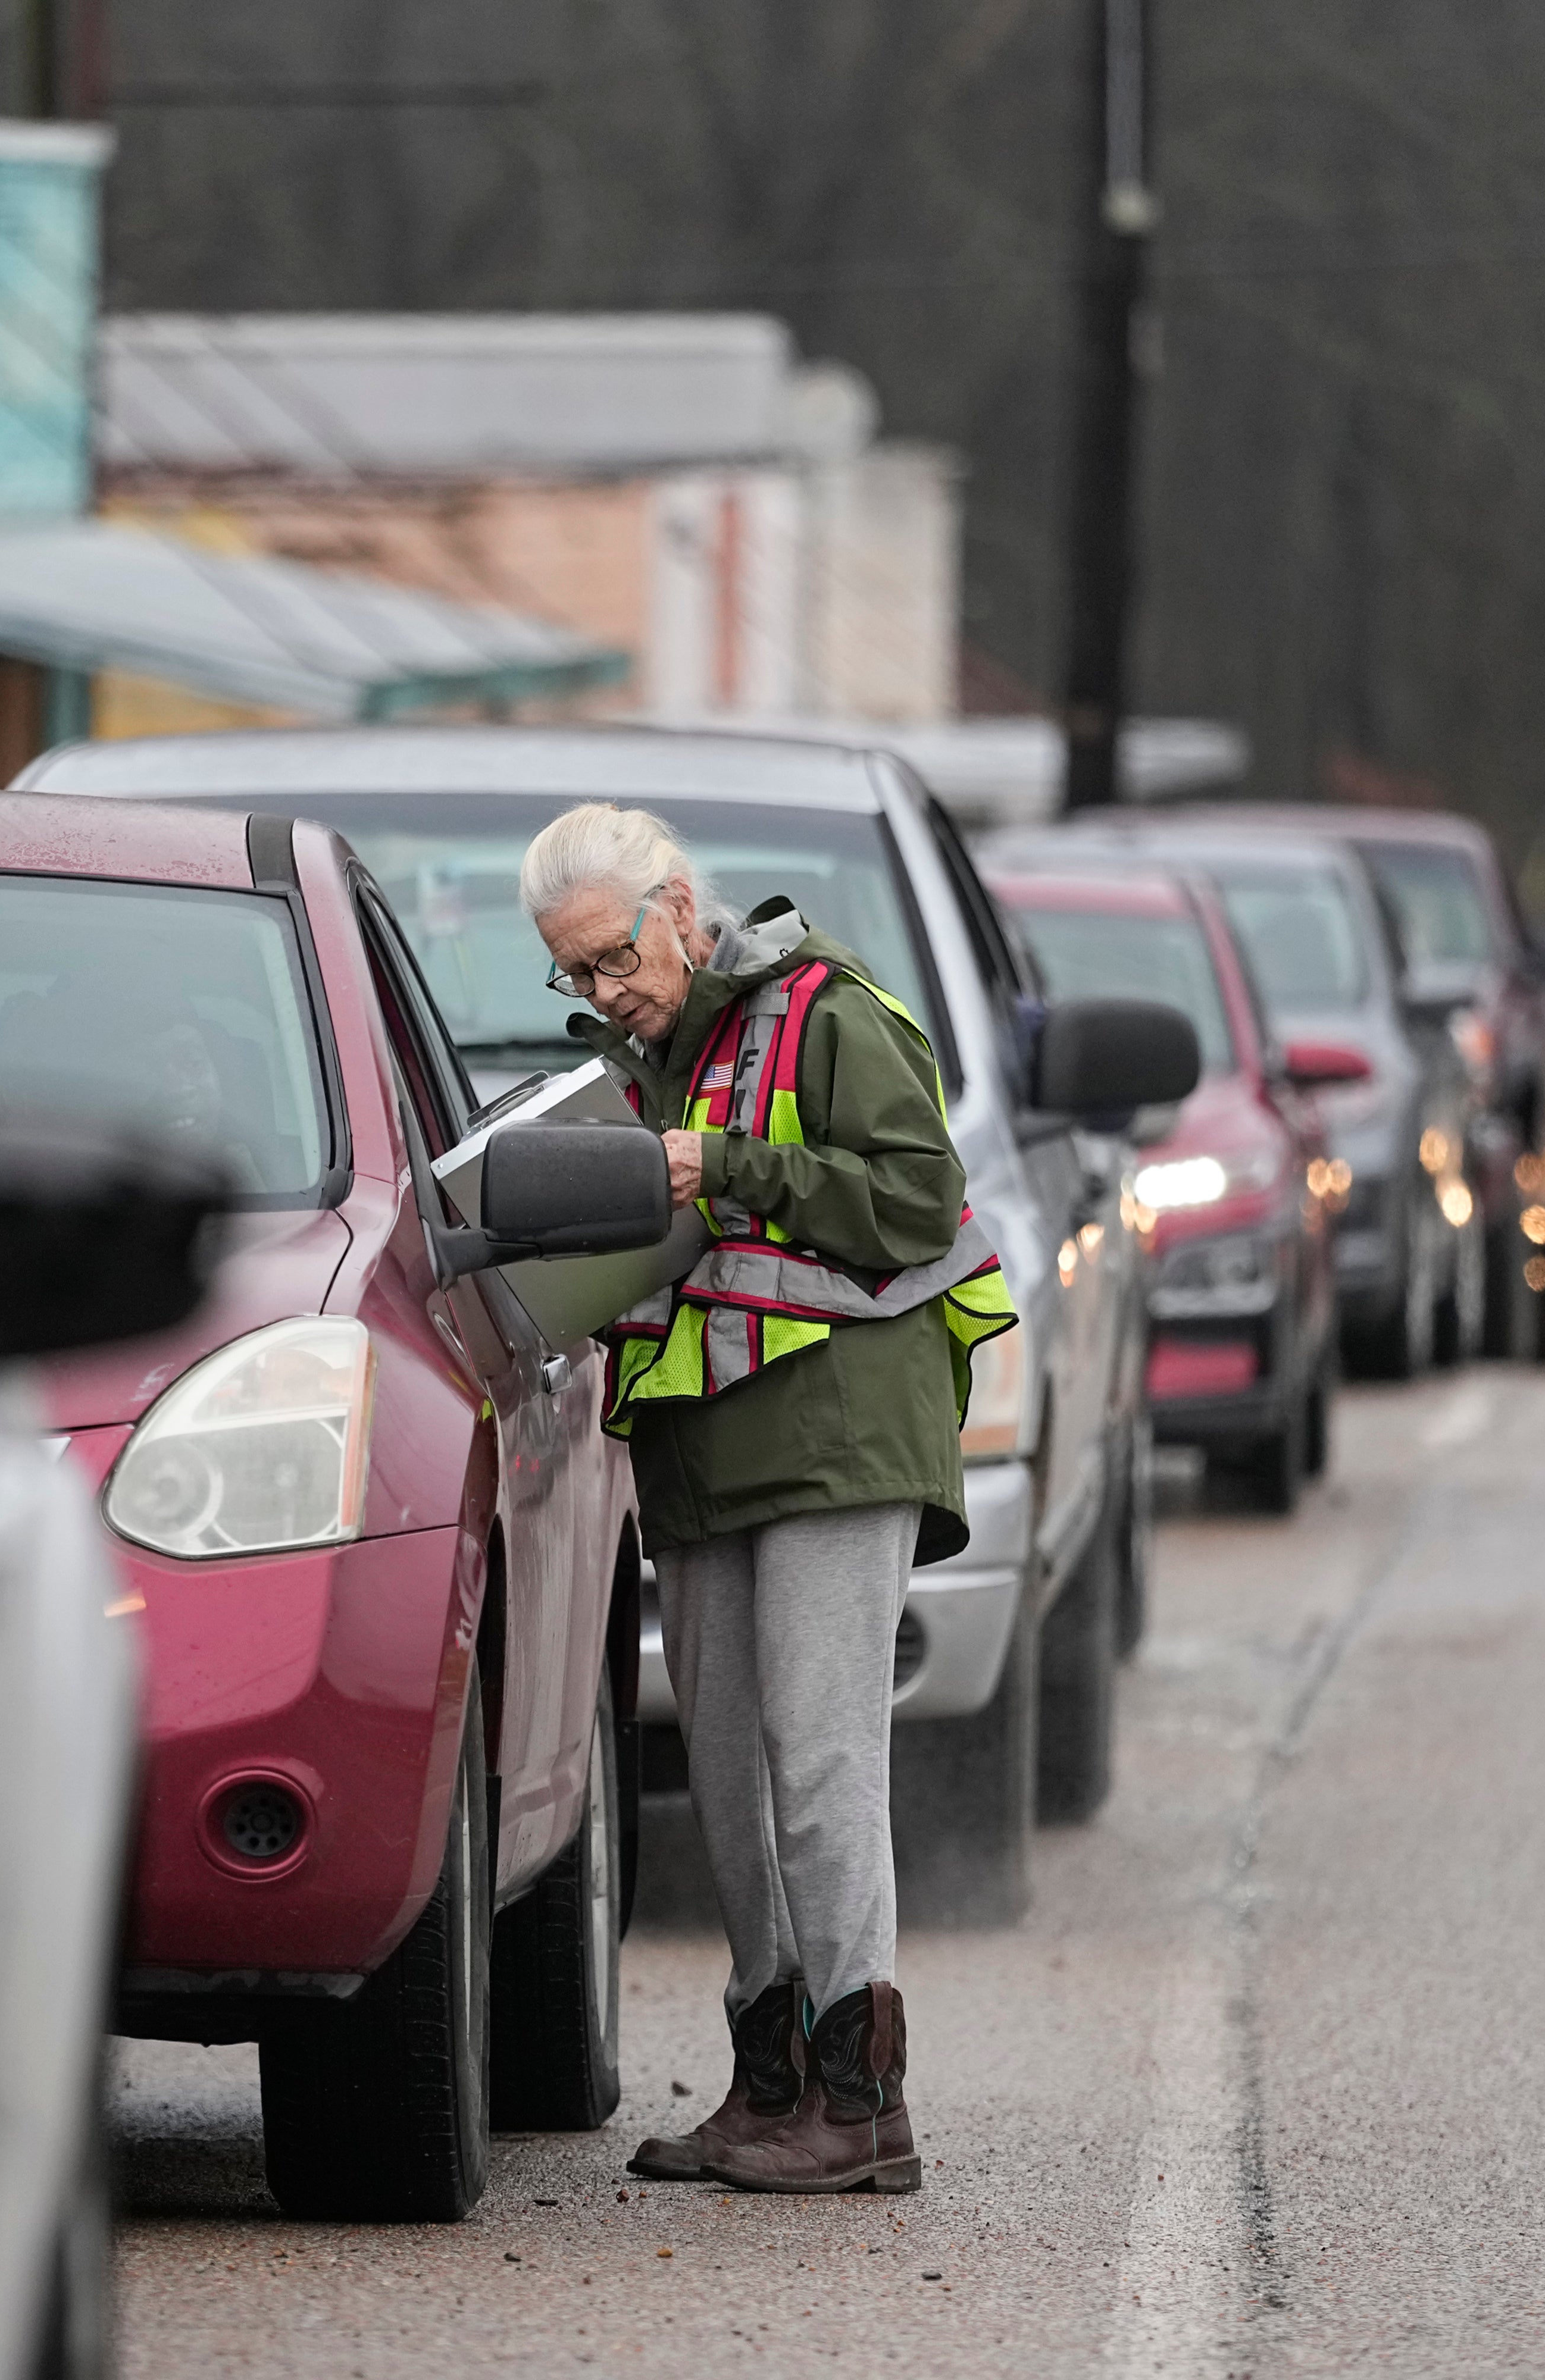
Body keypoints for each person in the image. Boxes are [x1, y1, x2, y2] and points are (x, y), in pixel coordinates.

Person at [518, 801, 1011, 2196]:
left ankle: (864, 2104)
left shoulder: (827, 1011)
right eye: (577, 975)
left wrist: (718, 1165)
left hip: (838, 1439)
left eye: (615, 955)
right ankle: (771, 2083)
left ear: (680, 904)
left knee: (820, 1763)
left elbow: (919, 1205)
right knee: (732, 1777)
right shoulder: (644, 1060)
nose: (606, 989)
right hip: (709, 1446)